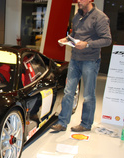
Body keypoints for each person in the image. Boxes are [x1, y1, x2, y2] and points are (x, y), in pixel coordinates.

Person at [51, 0, 112, 133]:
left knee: (89, 94)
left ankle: (85, 124)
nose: (78, 1)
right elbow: (74, 36)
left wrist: (87, 44)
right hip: (75, 60)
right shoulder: (77, 16)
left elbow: (107, 40)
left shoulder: (100, 17)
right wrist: (66, 40)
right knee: (68, 92)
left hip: (90, 60)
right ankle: (62, 122)